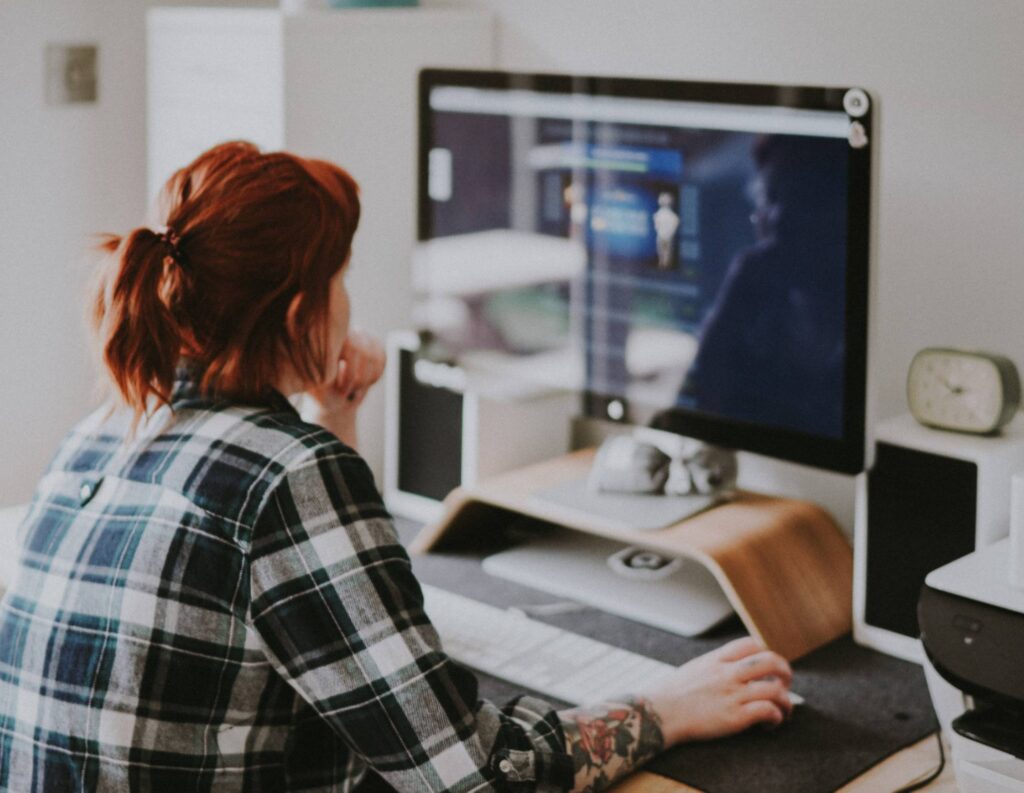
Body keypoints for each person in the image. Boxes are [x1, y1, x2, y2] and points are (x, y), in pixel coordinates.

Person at [0, 141, 793, 792]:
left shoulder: (103, 429)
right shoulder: (288, 476)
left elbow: (286, 606)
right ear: (298, 315)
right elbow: (477, 775)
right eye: (339, 279)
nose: (350, 302)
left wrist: (333, 419)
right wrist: (666, 706)